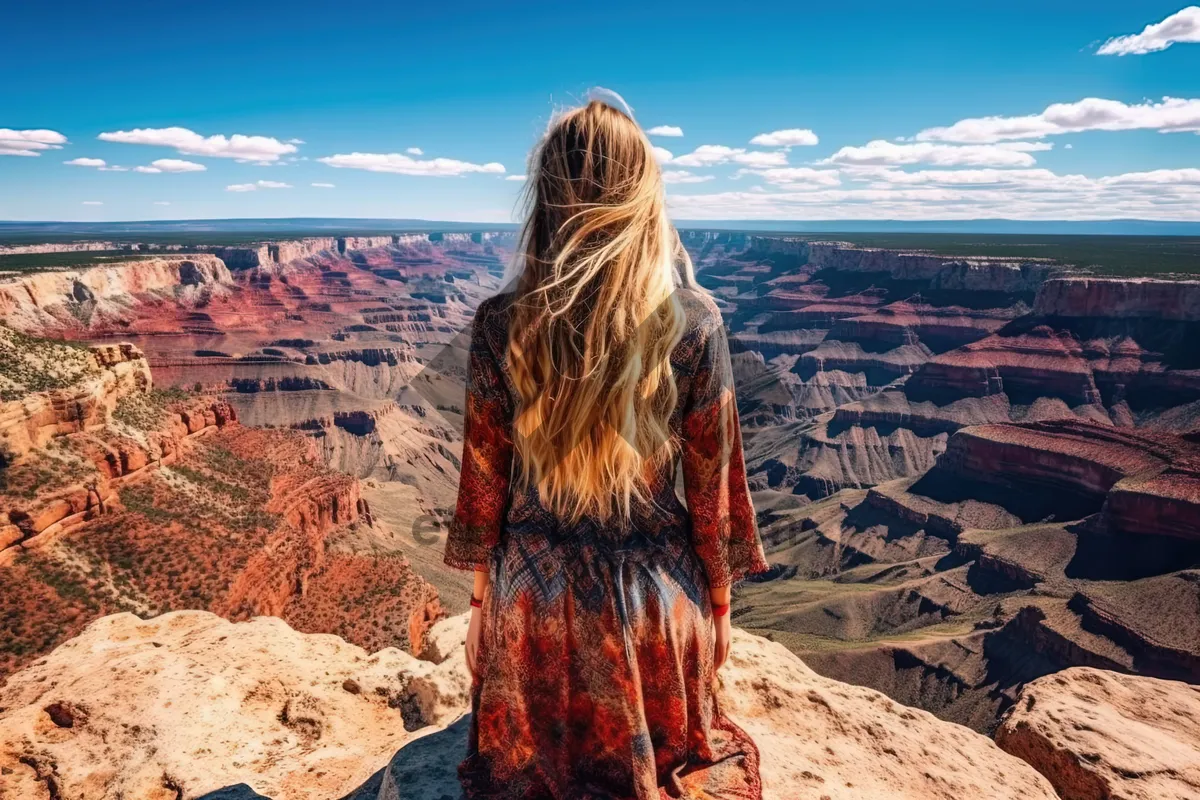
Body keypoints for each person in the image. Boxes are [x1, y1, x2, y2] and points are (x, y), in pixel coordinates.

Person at [444, 92, 768, 800]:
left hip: (531, 615)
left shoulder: (500, 323)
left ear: (548, 196)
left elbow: (482, 483)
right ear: (642, 194)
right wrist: (717, 615)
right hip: (655, 611)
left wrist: (483, 612)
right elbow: (716, 490)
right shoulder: (692, 321)